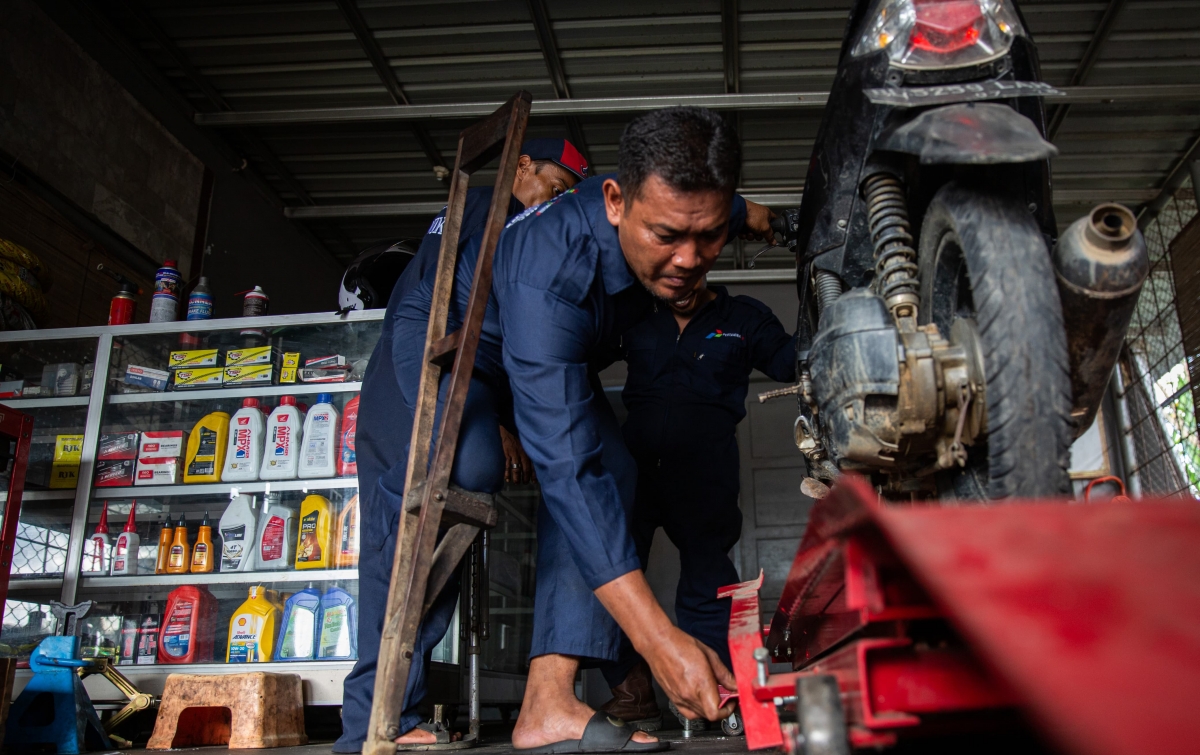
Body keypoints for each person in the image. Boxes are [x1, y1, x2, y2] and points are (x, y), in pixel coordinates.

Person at [356, 106, 775, 753]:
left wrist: (768, 220)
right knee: (458, 472)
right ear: (614, 202)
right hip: (439, 340)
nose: (690, 260)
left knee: (617, 467)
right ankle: (371, 718)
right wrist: (658, 640)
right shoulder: (552, 269)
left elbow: (732, 209)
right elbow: (566, 470)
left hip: (531, 352)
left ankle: (548, 699)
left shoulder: (685, 207)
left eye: (710, 235)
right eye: (666, 235)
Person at [336, 138, 588, 754]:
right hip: (413, 384)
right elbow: (437, 318)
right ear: (522, 165)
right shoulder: (482, 207)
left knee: (441, 532)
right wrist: (471, 409)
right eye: (552, 186)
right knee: (400, 548)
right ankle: (369, 724)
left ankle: (398, 710)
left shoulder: (512, 234)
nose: (553, 202)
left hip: (455, 379)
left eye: (564, 198)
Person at [598, 277, 796, 730]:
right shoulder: (634, 315)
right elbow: (578, 355)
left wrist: (828, 306)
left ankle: (713, 691)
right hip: (635, 469)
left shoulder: (741, 317)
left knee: (708, 582)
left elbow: (788, 362)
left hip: (706, 472)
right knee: (613, 574)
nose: (681, 279)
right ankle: (632, 691)